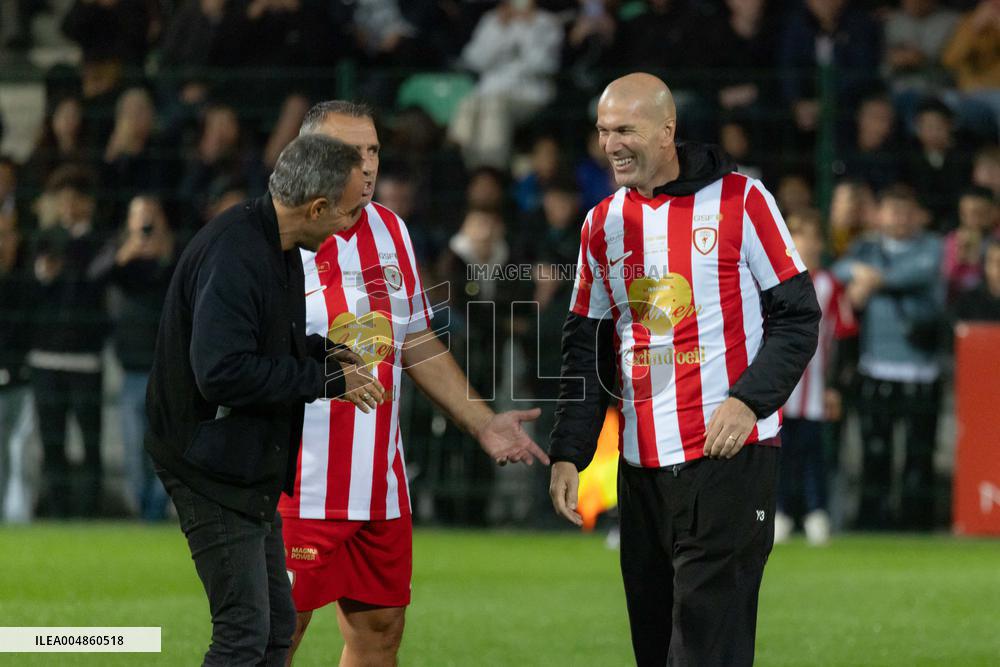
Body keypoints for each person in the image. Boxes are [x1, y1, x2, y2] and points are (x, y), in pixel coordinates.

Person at [547, 73, 820, 666]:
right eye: (603, 131)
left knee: (704, 650)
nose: (611, 144)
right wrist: (569, 450)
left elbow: (799, 317)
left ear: (667, 130)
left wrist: (748, 401)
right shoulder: (601, 224)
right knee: (654, 649)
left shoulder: (742, 200)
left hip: (729, 458)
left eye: (625, 129)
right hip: (641, 471)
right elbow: (586, 348)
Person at [283, 100, 549, 667]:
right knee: (275, 633)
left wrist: (483, 422)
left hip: (380, 483)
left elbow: (415, 338)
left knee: (380, 633)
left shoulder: (391, 229)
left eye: (373, 150)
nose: (367, 165)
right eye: (351, 152)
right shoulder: (277, 237)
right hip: (300, 482)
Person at [145, 134, 384, 666]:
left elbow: (260, 340)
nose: (350, 225)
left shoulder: (273, 242)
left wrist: (323, 352)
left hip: (241, 463)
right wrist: (323, 380)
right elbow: (221, 373)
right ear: (316, 208)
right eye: (346, 212)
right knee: (243, 635)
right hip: (207, 467)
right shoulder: (236, 254)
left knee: (275, 630)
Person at [832, 184, 944, 530]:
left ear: (919, 216)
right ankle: (873, 521)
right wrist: (859, 273)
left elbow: (921, 272)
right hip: (876, 365)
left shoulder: (931, 246)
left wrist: (872, 279)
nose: (899, 219)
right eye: (893, 211)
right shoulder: (866, 247)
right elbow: (837, 270)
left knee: (919, 453)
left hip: (921, 368)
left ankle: (916, 522)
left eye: (906, 212)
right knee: (875, 451)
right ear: (880, 215)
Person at [90, 195, 177, 520]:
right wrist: (126, 252)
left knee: (165, 447)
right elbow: (94, 278)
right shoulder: (120, 254)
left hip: (167, 371)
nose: (146, 224)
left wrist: (165, 252)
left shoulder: (174, 252)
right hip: (131, 369)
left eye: (152, 215)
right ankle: (142, 509)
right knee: (131, 447)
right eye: (139, 216)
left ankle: (155, 509)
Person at [775, 211, 857, 546]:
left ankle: (816, 513)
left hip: (815, 390)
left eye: (811, 236)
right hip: (779, 389)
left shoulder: (830, 285)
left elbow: (844, 338)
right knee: (778, 453)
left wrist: (835, 385)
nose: (806, 243)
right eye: (799, 235)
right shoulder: (773, 281)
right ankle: (778, 512)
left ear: (821, 243)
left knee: (813, 454)